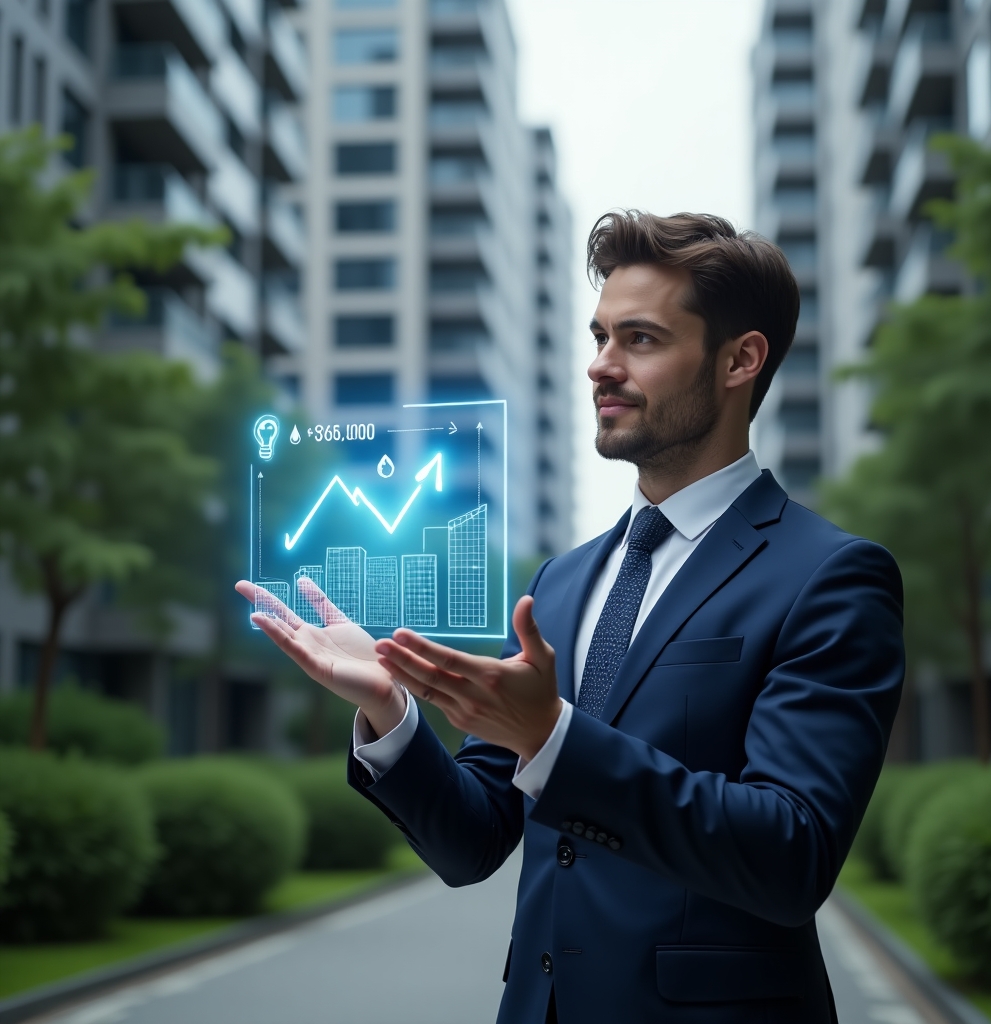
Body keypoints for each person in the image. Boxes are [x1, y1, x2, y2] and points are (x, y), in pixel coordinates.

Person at [238, 211, 904, 1024]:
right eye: (599, 337)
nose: (601, 366)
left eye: (641, 340)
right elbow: (472, 842)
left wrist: (554, 739)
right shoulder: (561, 582)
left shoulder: (830, 575)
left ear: (741, 359)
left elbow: (791, 853)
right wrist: (387, 709)